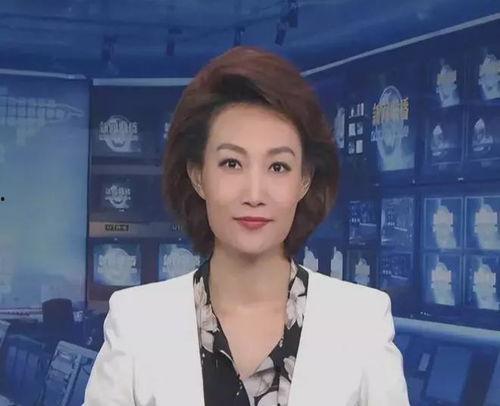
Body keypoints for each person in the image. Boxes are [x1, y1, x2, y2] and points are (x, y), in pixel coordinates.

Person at [83, 45, 410, 406]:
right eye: (232, 164)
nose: (254, 194)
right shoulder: (137, 324)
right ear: (198, 176)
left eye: (278, 167)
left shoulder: (362, 323)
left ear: (304, 180)